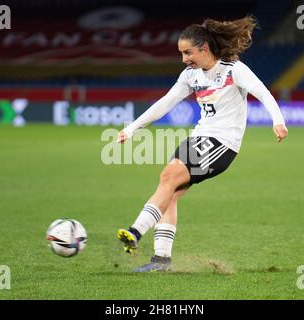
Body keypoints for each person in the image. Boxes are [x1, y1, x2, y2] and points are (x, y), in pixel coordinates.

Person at [116, 16, 288, 272]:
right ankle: (160, 261)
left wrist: (278, 120)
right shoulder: (190, 75)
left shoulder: (233, 70)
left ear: (204, 48)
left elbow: (261, 90)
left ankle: (135, 232)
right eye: (182, 53)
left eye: (188, 52)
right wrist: (131, 128)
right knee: (169, 190)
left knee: (169, 175)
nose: (184, 59)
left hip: (222, 143)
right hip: (199, 138)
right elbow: (165, 103)